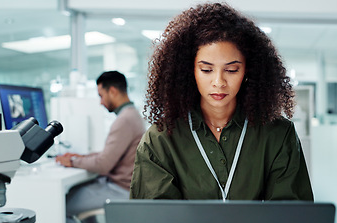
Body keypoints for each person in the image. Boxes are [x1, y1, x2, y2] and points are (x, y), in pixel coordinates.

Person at [130, 2, 313, 201]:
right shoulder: (160, 139)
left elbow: (291, 220)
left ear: (247, 71)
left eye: (231, 70)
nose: (219, 82)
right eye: (206, 70)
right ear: (188, 71)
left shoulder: (277, 134)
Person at [56, 71, 145, 223]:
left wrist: (73, 161)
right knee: (76, 193)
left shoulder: (124, 120)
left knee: (60, 208)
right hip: (124, 185)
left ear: (113, 91)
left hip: (120, 189)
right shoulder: (131, 114)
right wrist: (81, 156)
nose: (101, 102)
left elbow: (104, 164)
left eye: (101, 96)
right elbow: (111, 154)